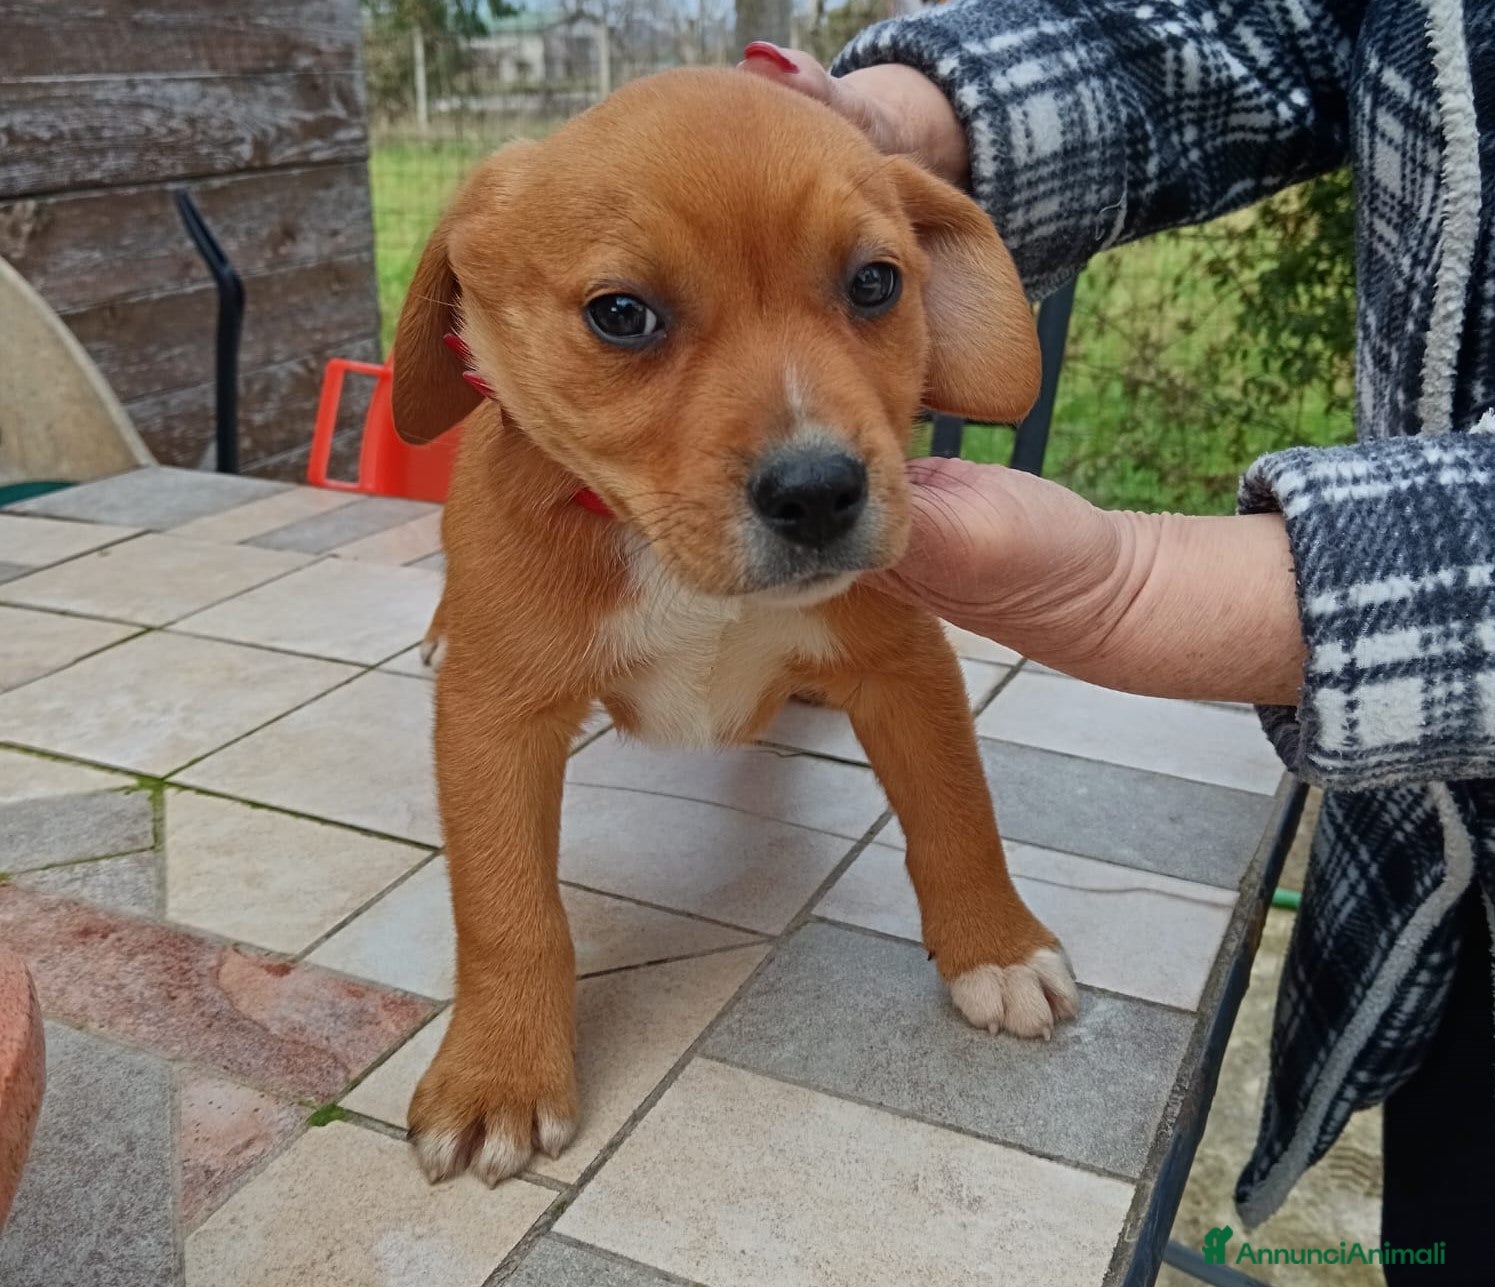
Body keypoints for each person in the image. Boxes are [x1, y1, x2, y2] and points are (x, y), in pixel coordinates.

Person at [743, 1, 1494, 1280]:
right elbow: (1259, 28)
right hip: (1451, 888)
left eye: (874, 287)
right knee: (1446, 1236)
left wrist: (1162, 584)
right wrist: (901, 119)